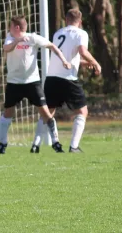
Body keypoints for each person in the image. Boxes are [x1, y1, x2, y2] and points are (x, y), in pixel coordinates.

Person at [0, 15, 71, 154]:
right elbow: (6, 48)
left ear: (17, 27)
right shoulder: (10, 37)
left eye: (11, 26)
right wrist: (18, 40)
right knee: (8, 113)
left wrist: (64, 61)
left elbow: (51, 46)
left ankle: (55, 142)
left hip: (32, 83)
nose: (9, 28)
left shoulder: (32, 38)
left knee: (46, 113)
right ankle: (2, 143)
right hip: (14, 83)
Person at [31, 9, 101, 153]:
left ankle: (35, 145)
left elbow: (66, 56)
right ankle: (74, 146)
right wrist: (95, 62)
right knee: (82, 111)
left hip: (52, 78)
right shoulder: (81, 33)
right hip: (68, 78)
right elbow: (82, 51)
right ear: (80, 22)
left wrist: (82, 63)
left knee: (47, 112)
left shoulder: (58, 33)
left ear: (66, 20)